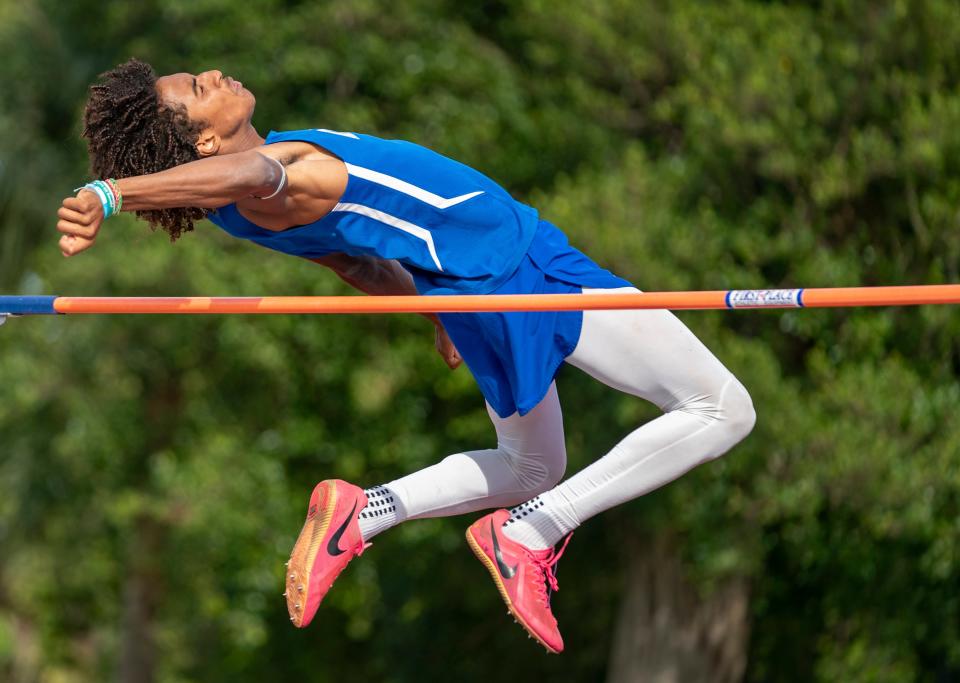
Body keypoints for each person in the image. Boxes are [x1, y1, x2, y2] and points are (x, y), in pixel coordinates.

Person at [57, 60, 756, 654]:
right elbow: (254, 171)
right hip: (519, 268)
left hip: (466, 292)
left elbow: (356, 265)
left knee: (533, 466)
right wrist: (110, 194)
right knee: (722, 409)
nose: (212, 73)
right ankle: (532, 532)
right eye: (198, 92)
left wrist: (433, 312)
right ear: (206, 140)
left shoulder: (244, 212)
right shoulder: (282, 175)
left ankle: (363, 512)